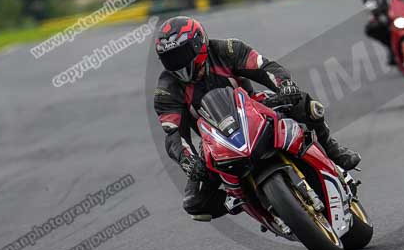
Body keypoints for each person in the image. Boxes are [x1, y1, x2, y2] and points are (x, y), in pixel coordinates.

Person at [153, 16, 361, 221]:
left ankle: (332, 150)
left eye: (182, 54)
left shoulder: (228, 50)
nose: (178, 64)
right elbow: (173, 134)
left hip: (255, 108)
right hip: (215, 139)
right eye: (170, 59)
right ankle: (243, 200)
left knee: (307, 106)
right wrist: (186, 159)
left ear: (199, 43)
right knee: (195, 203)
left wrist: (284, 85)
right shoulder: (166, 90)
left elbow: (264, 67)